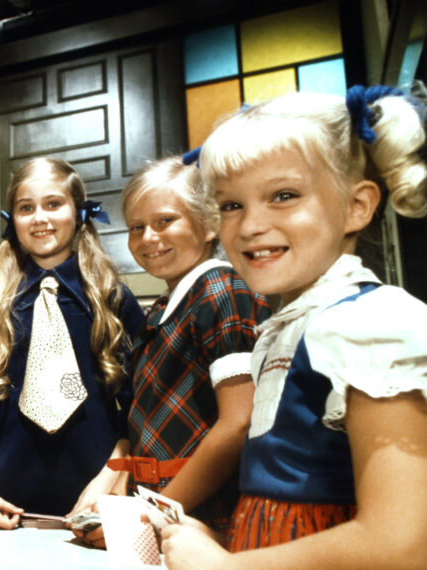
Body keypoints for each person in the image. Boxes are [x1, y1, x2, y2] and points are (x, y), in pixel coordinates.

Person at [160, 87, 427, 569]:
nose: (249, 226)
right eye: (230, 205)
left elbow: (402, 544)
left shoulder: (371, 323)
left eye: (283, 196)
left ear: (357, 206)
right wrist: (219, 541)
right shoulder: (282, 328)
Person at [74, 157, 271, 546]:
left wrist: (151, 515)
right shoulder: (163, 309)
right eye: (136, 227)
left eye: (165, 221)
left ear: (210, 224)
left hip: (215, 521)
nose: (148, 237)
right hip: (174, 515)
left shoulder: (223, 292)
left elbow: (237, 423)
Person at [0, 157, 145, 528]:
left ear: (79, 213)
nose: (39, 217)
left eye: (53, 204)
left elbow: (140, 405)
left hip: (96, 508)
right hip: (1, 509)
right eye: (25, 208)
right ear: (11, 221)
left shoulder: (112, 299)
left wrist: (111, 479)